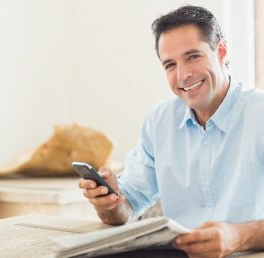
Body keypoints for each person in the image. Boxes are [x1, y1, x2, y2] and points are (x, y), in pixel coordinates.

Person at [79, 5, 264, 258]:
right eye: (170, 65)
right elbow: (126, 209)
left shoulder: (259, 114)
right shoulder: (159, 121)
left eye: (193, 57)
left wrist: (238, 236)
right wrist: (110, 203)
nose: (183, 75)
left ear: (221, 51)